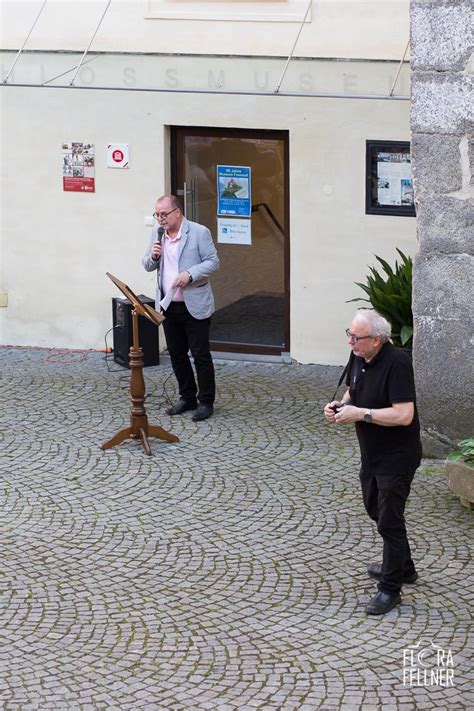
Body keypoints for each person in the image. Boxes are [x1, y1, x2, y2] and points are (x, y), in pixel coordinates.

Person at [324, 309, 422, 616]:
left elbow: (404, 414)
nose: (350, 341)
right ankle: (404, 566)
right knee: (374, 508)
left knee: (390, 521)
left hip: (398, 456)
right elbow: (354, 389)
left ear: (376, 340)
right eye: (349, 334)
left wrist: (361, 414)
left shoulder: (398, 363)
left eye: (357, 337)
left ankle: (390, 589)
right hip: (372, 453)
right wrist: (342, 405)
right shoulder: (359, 355)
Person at [142, 195, 219, 422]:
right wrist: (154, 256)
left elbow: (213, 262)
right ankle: (187, 397)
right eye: (157, 214)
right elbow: (147, 264)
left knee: (200, 355)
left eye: (164, 214)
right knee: (177, 354)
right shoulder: (157, 235)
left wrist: (190, 274)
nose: (160, 219)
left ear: (177, 212)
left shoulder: (198, 232)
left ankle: (206, 401)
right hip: (168, 305)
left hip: (194, 304)